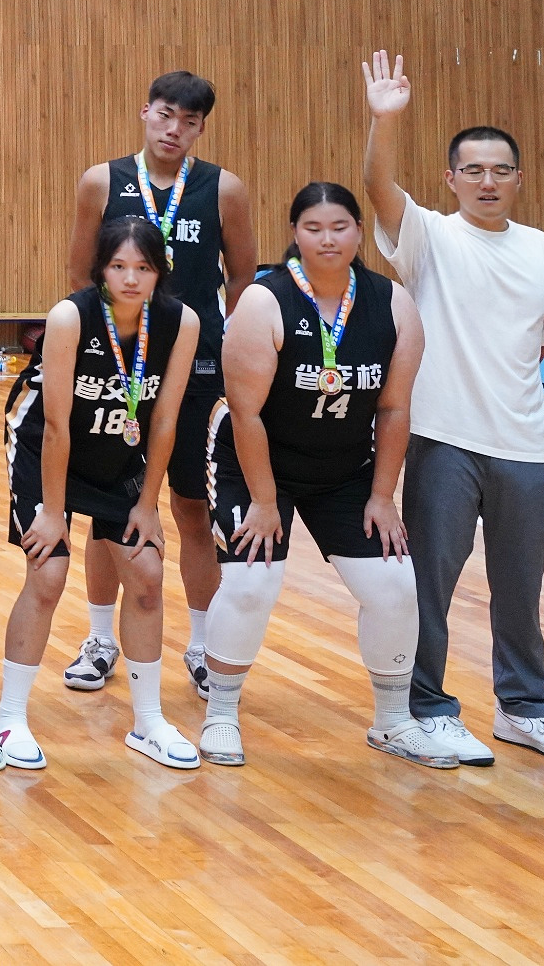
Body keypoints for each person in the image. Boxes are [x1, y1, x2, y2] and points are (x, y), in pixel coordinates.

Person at [359, 50, 544, 766]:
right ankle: (426, 708)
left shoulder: (542, 249)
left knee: (520, 589)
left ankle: (524, 709)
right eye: (473, 170)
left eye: (500, 170)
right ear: (451, 179)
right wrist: (385, 119)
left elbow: (541, 346)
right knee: (431, 585)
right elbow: (377, 186)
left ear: (519, 179)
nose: (487, 181)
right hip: (442, 439)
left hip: (526, 447)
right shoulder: (430, 237)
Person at [200, 183, 427, 768]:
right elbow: (245, 411)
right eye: (314, 228)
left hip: (344, 470)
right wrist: (264, 501)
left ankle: (393, 722)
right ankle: (221, 712)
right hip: (254, 466)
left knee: (395, 587)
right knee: (251, 584)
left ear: (359, 232)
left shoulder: (393, 303)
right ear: (295, 234)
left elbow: (394, 409)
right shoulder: (264, 301)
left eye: (340, 227)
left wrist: (383, 496)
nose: (328, 239)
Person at [62, 71, 251, 698]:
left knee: (195, 509)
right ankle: (99, 639)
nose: (175, 130)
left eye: (189, 122)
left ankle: (202, 645)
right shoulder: (102, 181)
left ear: (201, 128)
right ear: (146, 112)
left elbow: (242, 279)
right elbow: (80, 273)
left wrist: (224, 351)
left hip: (196, 369)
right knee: (106, 510)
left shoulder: (223, 189)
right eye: (166, 115)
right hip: (116, 374)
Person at [0, 218, 202, 771]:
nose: (131, 279)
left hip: (120, 449)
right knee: (48, 573)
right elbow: (56, 424)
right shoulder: (71, 317)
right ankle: (9, 719)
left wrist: (148, 505)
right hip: (44, 445)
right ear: (100, 269)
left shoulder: (181, 322)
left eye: (143, 268)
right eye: (118, 266)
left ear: (160, 272)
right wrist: (52, 510)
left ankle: (148, 721)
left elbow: (164, 420)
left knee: (148, 575)